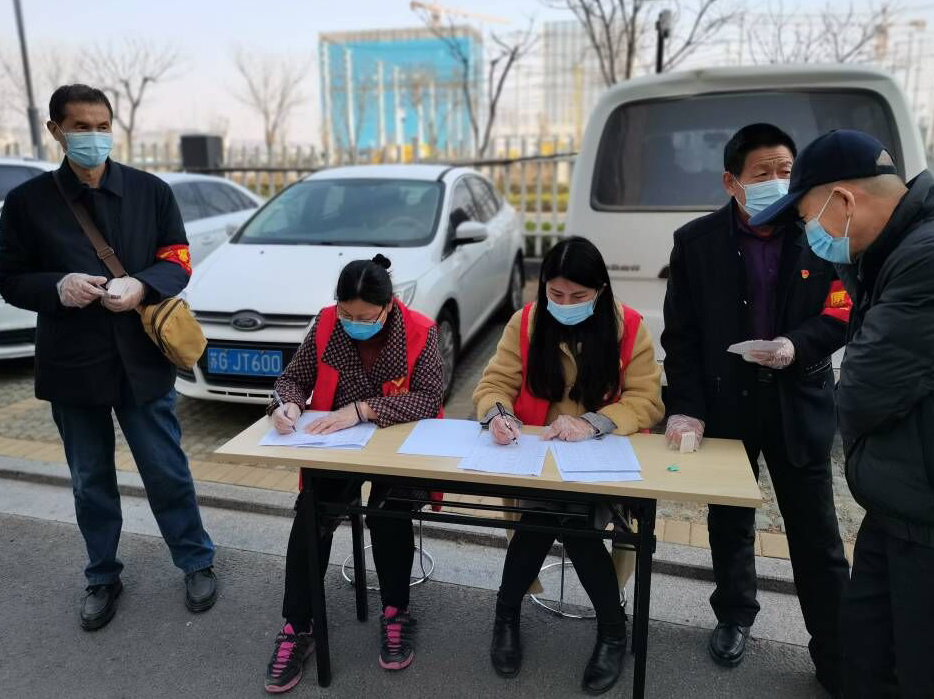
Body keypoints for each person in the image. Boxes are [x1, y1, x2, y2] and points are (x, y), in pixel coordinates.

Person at [0, 84, 217, 631]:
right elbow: (9, 278)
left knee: (165, 469)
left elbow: (178, 259)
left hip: (141, 358)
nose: (93, 137)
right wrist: (57, 286)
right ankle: (101, 574)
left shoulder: (150, 191)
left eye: (101, 126)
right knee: (89, 478)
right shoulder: (28, 202)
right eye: (80, 127)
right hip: (72, 362)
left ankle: (195, 560)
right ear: (55, 131)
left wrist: (143, 285)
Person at [748, 129, 934, 697]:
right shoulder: (903, 246)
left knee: (925, 673)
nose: (807, 233)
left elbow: (865, 388)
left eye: (807, 217)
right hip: (903, 501)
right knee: (866, 659)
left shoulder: (933, 255)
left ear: (843, 200)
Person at [661, 123, 850, 694]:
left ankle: (836, 647)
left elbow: (842, 311)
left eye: (785, 170)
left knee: (816, 532)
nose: (777, 181)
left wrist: (797, 344)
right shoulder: (696, 243)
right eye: (763, 172)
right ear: (732, 182)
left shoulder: (820, 233)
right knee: (729, 522)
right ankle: (734, 614)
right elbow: (682, 336)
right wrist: (685, 408)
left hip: (799, 400)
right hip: (728, 405)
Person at [473, 236, 664, 695]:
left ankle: (516, 615)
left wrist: (592, 423)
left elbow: (647, 401)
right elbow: (494, 384)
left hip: (601, 458)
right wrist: (497, 415)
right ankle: (604, 627)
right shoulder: (525, 323)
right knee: (552, 511)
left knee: (565, 515)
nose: (566, 304)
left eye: (579, 296)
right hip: (537, 455)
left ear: (600, 290)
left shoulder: (628, 327)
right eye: (556, 294)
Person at [263, 255, 443, 694]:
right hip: (335, 445)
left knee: (389, 512)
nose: (354, 324)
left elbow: (429, 397)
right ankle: (297, 626)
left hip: (396, 445)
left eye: (365, 318)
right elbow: (293, 378)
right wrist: (287, 405)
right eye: (347, 314)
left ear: (388, 306)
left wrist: (362, 410)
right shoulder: (327, 324)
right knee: (311, 516)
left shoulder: (420, 330)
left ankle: (396, 611)